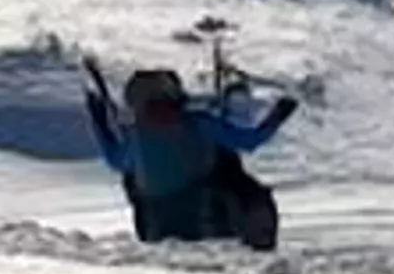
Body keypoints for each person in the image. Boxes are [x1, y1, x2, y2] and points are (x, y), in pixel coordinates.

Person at [84, 56, 295, 254]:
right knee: (226, 161)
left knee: (136, 183)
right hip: (209, 215)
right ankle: (236, 94)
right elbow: (250, 141)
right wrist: (283, 110)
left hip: (162, 226)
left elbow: (114, 159)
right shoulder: (197, 124)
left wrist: (98, 117)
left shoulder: (137, 140)